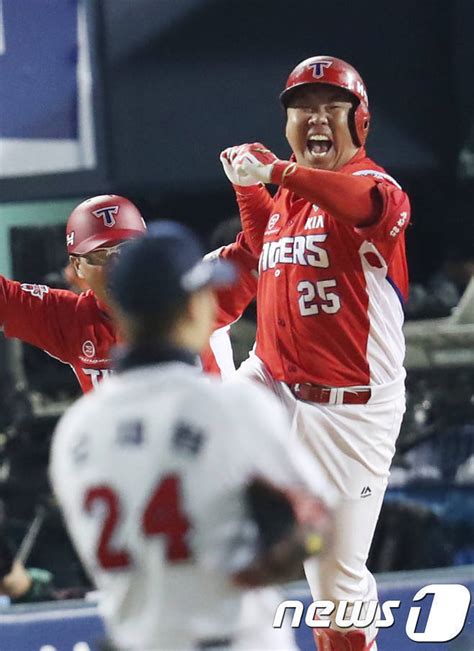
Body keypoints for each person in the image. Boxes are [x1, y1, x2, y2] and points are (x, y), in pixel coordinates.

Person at [49, 222, 332, 651]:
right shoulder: (233, 408)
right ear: (192, 305)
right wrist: (281, 555)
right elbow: (318, 525)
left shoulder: (76, 430)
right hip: (232, 640)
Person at [218, 56, 410, 651]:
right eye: (302, 108)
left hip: (347, 408)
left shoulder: (378, 188)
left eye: (331, 107)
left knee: (337, 602)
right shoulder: (288, 202)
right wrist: (251, 189)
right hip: (272, 379)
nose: (315, 117)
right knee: (186, 431)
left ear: (361, 123)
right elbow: (261, 243)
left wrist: (274, 171)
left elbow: (360, 206)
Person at [0, 195, 147, 393]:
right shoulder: (74, 320)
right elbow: (6, 300)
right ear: (77, 266)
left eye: (127, 249)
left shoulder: (192, 296)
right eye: (99, 256)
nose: (116, 265)